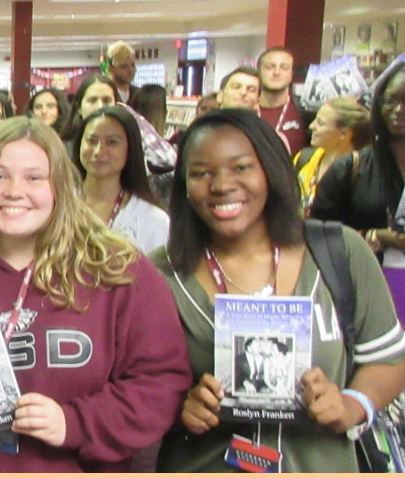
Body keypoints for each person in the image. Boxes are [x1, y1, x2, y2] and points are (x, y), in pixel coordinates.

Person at [0, 117, 191, 472]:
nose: (14, 191)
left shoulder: (118, 272)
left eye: (34, 177)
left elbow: (161, 383)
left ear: (60, 187)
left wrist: (74, 423)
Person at [154, 107, 405, 472]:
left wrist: (351, 405)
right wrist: (179, 409)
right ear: (184, 187)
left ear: (271, 170)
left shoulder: (340, 252)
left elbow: (389, 358)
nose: (222, 185)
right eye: (201, 173)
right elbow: (134, 384)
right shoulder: (160, 274)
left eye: (241, 167)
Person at [312, 61, 405, 243]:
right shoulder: (349, 168)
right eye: (391, 100)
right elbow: (318, 234)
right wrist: (374, 236)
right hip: (362, 269)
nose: (399, 110)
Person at [72, 106, 169, 253]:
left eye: (112, 142)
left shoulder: (153, 220)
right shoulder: (55, 204)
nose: (98, 151)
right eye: (91, 141)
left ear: (131, 148)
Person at [293, 97, 371, 212]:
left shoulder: (363, 175)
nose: (311, 126)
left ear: (344, 133)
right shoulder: (303, 158)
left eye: (320, 123)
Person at [257, 48, 309, 156]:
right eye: (270, 67)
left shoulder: (305, 110)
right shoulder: (247, 109)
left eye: (284, 68)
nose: (276, 72)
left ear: (291, 74)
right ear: (259, 72)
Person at [59, 75, 117, 143]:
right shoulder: (63, 149)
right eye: (92, 100)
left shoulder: (126, 143)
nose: (100, 107)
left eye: (106, 100)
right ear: (79, 108)